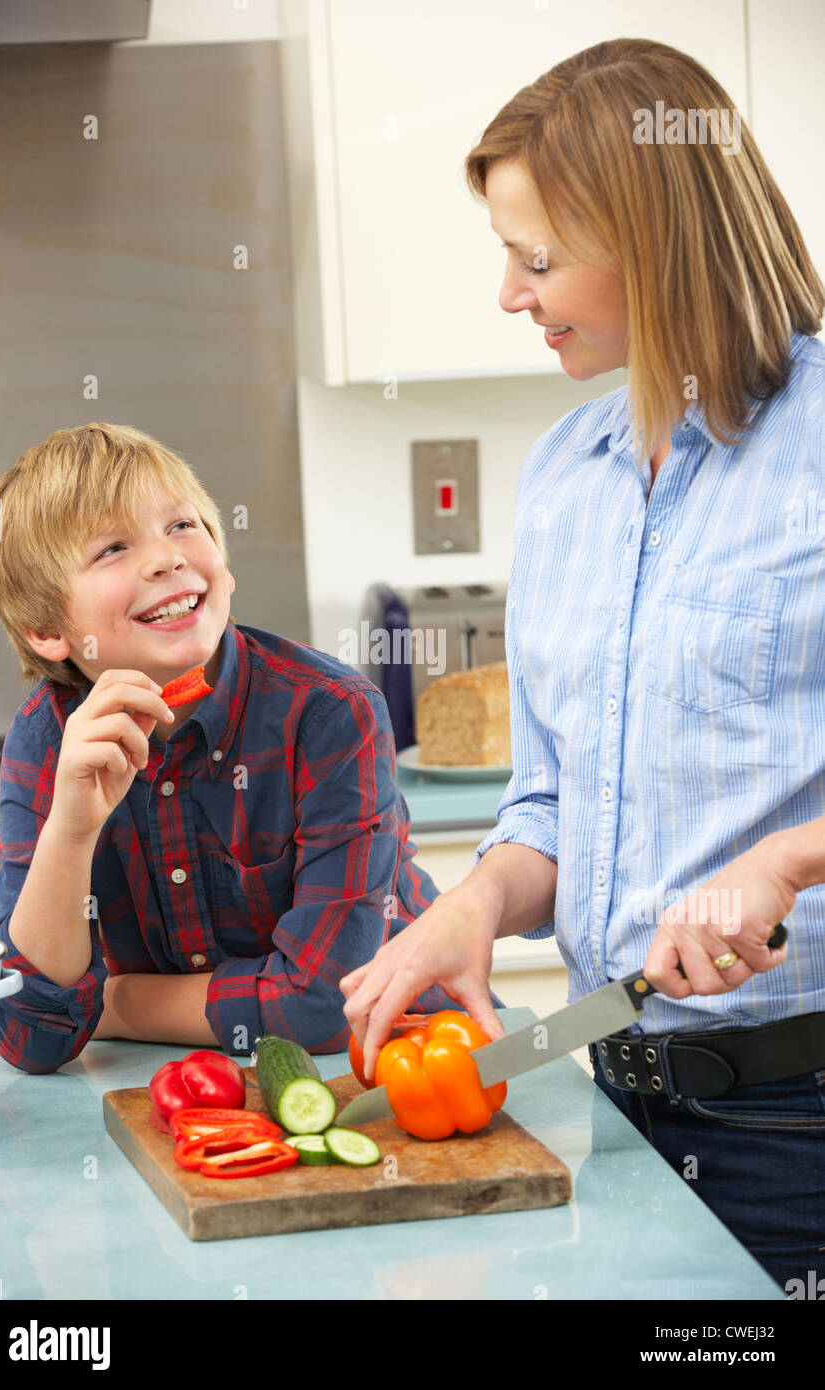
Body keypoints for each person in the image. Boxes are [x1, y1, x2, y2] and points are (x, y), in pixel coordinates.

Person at [341, 37, 825, 1294]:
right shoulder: (566, 474)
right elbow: (552, 798)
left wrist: (784, 859)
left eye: (537, 258)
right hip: (601, 1092)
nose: (509, 292)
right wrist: (474, 907)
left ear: (652, 244)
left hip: (798, 1118)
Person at [0, 422, 491, 1073]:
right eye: (112, 549)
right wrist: (71, 832)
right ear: (46, 630)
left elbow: (325, 1004)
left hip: (407, 1059)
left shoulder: (330, 710)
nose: (166, 558)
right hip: (186, 1084)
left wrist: (112, 1002)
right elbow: (32, 1032)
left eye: (182, 525)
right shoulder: (47, 738)